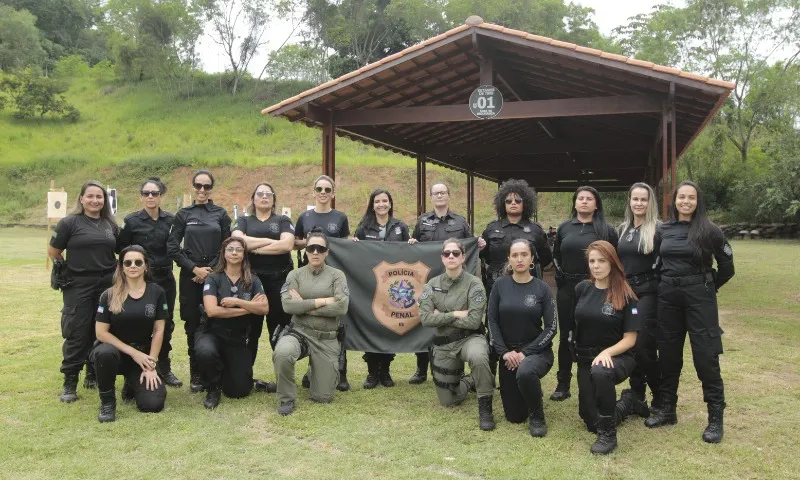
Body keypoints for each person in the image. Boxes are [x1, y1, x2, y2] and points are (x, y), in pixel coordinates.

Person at [645, 181, 734, 444]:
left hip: (699, 297)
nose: (686, 201)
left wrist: (708, 286)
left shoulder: (710, 230)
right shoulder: (664, 230)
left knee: (706, 357)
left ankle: (715, 418)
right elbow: (657, 263)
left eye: (691, 197)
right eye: (681, 197)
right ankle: (667, 410)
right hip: (669, 297)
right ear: (674, 201)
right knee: (669, 355)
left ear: (698, 201)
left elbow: (727, 266)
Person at [48, 180, 119, 403]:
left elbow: (119, 250)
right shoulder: (70, 223)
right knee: (77, 331)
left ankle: (93, 371)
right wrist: (70, 271)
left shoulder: (110, 225)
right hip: (78, 285)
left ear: (104, 201)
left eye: (99, 197)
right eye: (90, 196)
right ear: (81, 199)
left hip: (107, 284)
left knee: (102, 328)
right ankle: (70, 380)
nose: (95, 200)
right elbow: (54, 252)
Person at [409, 182, 485, 384]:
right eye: (436, 193)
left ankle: (457, 366)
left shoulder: (460, 221)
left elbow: (469, 247)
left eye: (443, 192)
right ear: (431, 197)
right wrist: (412, 244)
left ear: (448, 196)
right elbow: (413, 248)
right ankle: (420, 368)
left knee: (451, 322)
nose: (440, 196)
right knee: (424, 320)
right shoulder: (423, 221)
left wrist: (479, 245)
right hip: (429, 279)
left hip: (455, 281)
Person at [551, 186, 618, 402]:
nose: (585, 202)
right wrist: (561, 277)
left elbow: (616, 261)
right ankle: (563, 383)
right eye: (581, 198)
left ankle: (597, 377)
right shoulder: (564, 228)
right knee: (566, 336)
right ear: (575, 203)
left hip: (596, 289)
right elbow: (556, 257)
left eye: (590, 199)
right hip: (568, 290)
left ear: (596, 204)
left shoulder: (607, 231)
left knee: (592, 334)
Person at [480, 178, 553, 379]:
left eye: (518, 200)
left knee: (525, 322)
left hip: (527, 284)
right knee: (493, 324)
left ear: (525, 203)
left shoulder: (535, 230)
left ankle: (526, 358)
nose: (513, 204)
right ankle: (492, 372)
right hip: (496, 284)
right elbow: (482, 255)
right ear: (502, 203)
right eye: (509, 200)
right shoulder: (491, 229)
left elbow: (546, 257)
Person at [419, 238, 494, 431]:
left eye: (455, 253)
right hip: (444, 344)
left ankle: (485, 406)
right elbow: (425, 319)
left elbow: (473, 322)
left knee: (478, 356)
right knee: (448, 401)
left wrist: (441, 316)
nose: (451, 256)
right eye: (446, 253)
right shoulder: (431, 285)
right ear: (442, 258)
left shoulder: (475, 284)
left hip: (469, 338)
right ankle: (469, 381)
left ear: (463, 257)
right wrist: (454, 314)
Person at [273, 228, 350, 415]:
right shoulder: (295, 275)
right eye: (311, 248)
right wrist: (323, 301)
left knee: (323, 397)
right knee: (282, 353)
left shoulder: (337, 275)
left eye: (320, 249)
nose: (315, 252)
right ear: (305, 250)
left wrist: (305, 306)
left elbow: (341, 307)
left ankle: (312, 373)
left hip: (327, 339)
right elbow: (288, 307)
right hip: (299, 332)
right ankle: (286, 398)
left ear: (327, 252)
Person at [167, 170, 232, 393]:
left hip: (215, 275)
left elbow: (227, 246)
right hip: (190, 274)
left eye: (206, 186)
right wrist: (193, 268)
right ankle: (196, 371)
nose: (202, 190)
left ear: (212, 189)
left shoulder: (221, 214)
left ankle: (216, 369)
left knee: (217, 320)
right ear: (193, 187)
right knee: (192, 324)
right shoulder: (183, 214)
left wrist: (210, 270)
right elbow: (172, 247)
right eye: (198, 185)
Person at [573, 241, 640, 455]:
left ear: (612, 262)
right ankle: (629, 402)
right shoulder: (582, 289)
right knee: (590, 420)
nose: (596, 266)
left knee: (600, 371)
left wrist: (607, 352)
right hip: (586, 359)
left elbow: (630, 339)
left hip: (618, 357)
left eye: (601, 261)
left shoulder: (627, 295)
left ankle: (609, 435)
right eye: (592, 261)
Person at [487, 239, 556, 437]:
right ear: (509, 258)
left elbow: (552, 327)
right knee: (515, 417)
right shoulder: (499, 286)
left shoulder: (542, 288)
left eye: (524, 254)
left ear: (532, 258)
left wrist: (525, 353)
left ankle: (537, 415)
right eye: (515, 255)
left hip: (536, 352)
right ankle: (530, 390)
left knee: (525, 372)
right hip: (508, 355)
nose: (520, 259)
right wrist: (505, 353)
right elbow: (492, 322)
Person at [117, 176, 181, 388]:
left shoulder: (171, 220)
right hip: (140, 280)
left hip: (166, 279)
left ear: (161, 196)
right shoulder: (132, 221)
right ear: (141, 196)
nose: (150, 197)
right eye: (146, 193)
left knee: (166, 324)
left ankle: (164, 366)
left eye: (155, 193)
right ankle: (133, 369)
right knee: (137, 323)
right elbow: (121, 249)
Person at [91, 245, 168, 422]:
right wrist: (133, 353)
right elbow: (101, 334)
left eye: (138, 262)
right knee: (104, 352)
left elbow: (159, 330)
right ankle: (107, 402)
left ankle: (132, 385)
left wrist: (151, 364)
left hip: (143, 355)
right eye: (128, 262)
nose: (133, 265)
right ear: (122, 267)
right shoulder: (108, 295)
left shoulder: (157, 292)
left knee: (152, 404)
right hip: (115, 353)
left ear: (145, 266)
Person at [232, 182, 295, 392]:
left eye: (269, 194)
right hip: (251, 283)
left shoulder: (283, 220)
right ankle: (244, 377)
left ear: (274, 199)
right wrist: (270, 241)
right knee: (250, 331)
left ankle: (282, 378)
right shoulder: (243, 220)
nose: (264, 197)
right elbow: (238, 243)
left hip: (279, 281)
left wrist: (255, 248)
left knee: (278, 331)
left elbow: (287, 245)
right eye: (260, 194)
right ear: (253, 199)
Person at [294, 175, 351, 391]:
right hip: (310, 276)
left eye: (328, 189)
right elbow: (295, 243)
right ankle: (312, 370)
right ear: (314, 191)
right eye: (319, 188)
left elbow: (347, 245)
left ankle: (341, 371)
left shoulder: (341, 217)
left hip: (334, 276)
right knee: (310, 322)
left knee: (338, 322)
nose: (323, 192)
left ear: (333, 193)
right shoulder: (304, 217)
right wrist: (310, 242)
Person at [197, 237, 269, 409]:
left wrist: (239, 303)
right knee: (205, 351)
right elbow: (212, 311)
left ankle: (239, 378)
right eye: (230, 249)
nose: (235, 252)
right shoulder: (213, 278)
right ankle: (213, 387)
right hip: (212, 331)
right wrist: (250, 308)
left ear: (244, 254)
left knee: (239, 391)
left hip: (237, 336)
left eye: (239, 249)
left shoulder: (253, 279)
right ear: (224, 253)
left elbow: (264, 308)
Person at [352, 188, 410, 389]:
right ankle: (371, 373)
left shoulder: (400, 227)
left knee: (388, 327)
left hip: (393, 286)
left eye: (385, 200)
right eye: (377, 201)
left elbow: (408, 257)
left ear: (390, 204)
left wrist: (412, 244)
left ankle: (385, 371)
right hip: (370, 285)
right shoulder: (363, 227)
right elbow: (356, 255)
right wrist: (354, 244)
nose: (381, 204)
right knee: (371, 325)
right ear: (372, 205)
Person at [614, 182, 661, 421]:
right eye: (635, 199)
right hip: (626, 292)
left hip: (649, 293)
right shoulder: (623, 230)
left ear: (650, 202)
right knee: (629, 345)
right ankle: (636, 394)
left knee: (643, 345)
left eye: (644, 199)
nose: (639, 203)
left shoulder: (657, 230)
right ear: (629, 201)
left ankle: (660, 398)